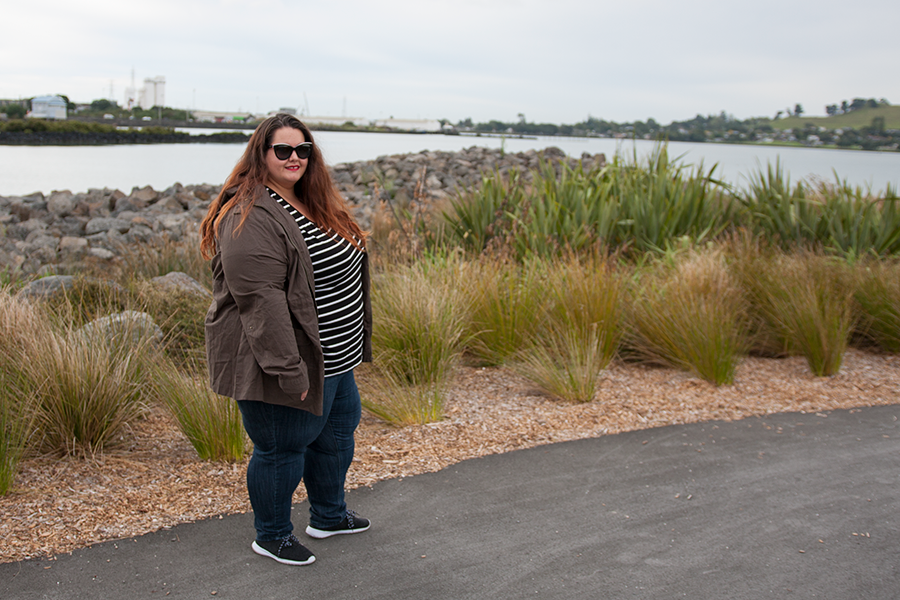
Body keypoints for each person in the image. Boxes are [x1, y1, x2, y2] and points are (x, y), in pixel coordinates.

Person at [199, 113, 372, 566]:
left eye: (303, 150)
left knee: (335, 437)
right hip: (287, 362)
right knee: (282, 449)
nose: (294, 157)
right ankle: (271, 535)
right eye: (283, 150)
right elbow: (261, 300)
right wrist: (287, 368)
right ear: (262, 154)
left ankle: (328, 516)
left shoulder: (310, 201)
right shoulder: (248, 215)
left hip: (334, 357)